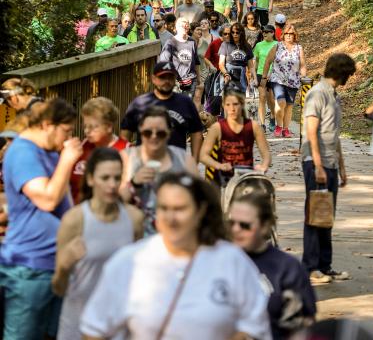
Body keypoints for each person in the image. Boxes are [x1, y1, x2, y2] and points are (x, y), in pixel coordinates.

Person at [80, 172, 272, 340]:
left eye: (180, 209)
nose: (170, 218)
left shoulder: (231, 261)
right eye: (164, 208)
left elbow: (254, 324)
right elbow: (94, 328)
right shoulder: (129, 261)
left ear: (200, 211)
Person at [0, 99, 82, 340]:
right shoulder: (24, 151)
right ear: (48, 125)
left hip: (58, 264)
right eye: (66, 130)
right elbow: (47, 199)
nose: (68, 137)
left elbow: (64, 201)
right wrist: (68, 159)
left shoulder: (50, 152)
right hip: (30, 267)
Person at [53, 148, 144, 340]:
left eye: (117, 178)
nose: (112, 185)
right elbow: (58, 288)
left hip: (117, 326)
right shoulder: (74, 220)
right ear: (90, 179)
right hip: (77, 324)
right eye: (105, 178)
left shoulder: (134, 218)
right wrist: (64, 265)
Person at [230, 192, 316, 339]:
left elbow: (301, 328)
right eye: (231, 223)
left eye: (245, 225)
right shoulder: (217, 262)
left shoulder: (287, 269)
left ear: (264, 226)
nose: (236, 229)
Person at [301, 53, 356, 283]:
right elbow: (311, 131)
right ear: (341, 71)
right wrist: (318, 164)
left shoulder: (334, 96)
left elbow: (334, 134)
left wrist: (341, 166)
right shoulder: (318, 93)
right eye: (348, 74)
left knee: (327, 215)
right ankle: (311, 267)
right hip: (317, 162)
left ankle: (325, 265)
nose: (349, 78)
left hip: (331, 162)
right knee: (315, 214)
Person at [122, 106, 198, 235]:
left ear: (169, 132)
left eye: (160, 133)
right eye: (147, 133)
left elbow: (200, 201)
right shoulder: (126, 158)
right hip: (135, 237)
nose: (154, 137)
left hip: (174, 235)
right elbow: (112, 202)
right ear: (140, 131)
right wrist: (133, 183)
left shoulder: (184, 159)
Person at [120, 62, 203, 160]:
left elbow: (196, 132)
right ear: (154, 79)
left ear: (175, 79)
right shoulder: (140, 103)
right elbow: (125, 133)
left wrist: (194, 160)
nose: (166, 81)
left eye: (170, 77)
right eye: (162, 77)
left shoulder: (186, 103)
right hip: (145, 165)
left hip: (177, 165)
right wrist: (125, 161)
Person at [200, 87, 271, 183]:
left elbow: (266, 154)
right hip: (220, 173)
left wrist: (263, 166)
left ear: (242, 104)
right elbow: (203, 156)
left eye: (235, 104)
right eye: (228, 105)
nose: (232, 109)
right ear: (223, 106)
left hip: (244, 175)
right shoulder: (217, 128)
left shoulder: (253, 126)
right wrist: (219, 166)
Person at [70, 97, 129, 204]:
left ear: (109, 127)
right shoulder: (80, 148)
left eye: (93, 127)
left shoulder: (125, 150)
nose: (87, 131)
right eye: (85, 126)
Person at [261, 23, 306, 138]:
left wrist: (303, 76)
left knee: (289, 106)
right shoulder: (277, 46)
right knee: (281, 102)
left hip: (293, 80)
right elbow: (267, 62)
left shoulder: (298, 48)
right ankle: (278, 126)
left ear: (295, 35)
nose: (289, 36)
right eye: (287, 33)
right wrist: (264, 77)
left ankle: (285, 129)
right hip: (278, 79)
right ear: (283, 34)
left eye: (291, 34)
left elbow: (302, 65)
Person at [159, 17, 201, 98]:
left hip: (191, 80)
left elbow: (196, 61)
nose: (185, 26)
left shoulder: (192, 41)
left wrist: (198, 79)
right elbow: (164, 64)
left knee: (186, 107)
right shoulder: (170, 43)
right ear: (177, 27)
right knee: (176, 107)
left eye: (186, 25)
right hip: (176, 82)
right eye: (182, 25)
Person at [219, 23, 257, 93]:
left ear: (241, 33)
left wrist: (255, 78)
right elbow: (221, 64)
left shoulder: (247, 46)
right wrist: (226, 74)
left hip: (242, 75)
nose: (235, 34)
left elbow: (251, 66)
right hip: (229, 74)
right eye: (232, 32)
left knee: (241, 99)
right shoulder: (225, 44)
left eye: (237, 32)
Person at [254, 25, 278, 132]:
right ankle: (262, 124)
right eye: (263, 32)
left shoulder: (277, 45)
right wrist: (253, 75)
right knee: (262, 97)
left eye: (267, 32)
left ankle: (272, 117)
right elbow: (257, 61)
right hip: (260, 74)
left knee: (271, 100)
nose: (265, 34)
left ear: (273, 33)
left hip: (273, 75)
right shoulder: (258, 45)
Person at [190, 22, 212, 110]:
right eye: (197, 29)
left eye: (200, 29)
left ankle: (197, 120)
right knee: (190, 98)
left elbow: (207, 58)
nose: (200, 31)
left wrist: (209, 69)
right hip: (190, 74)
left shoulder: (205, 43)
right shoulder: (188, 42)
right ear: (191, 31)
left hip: (202, 73)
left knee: (198, 98)